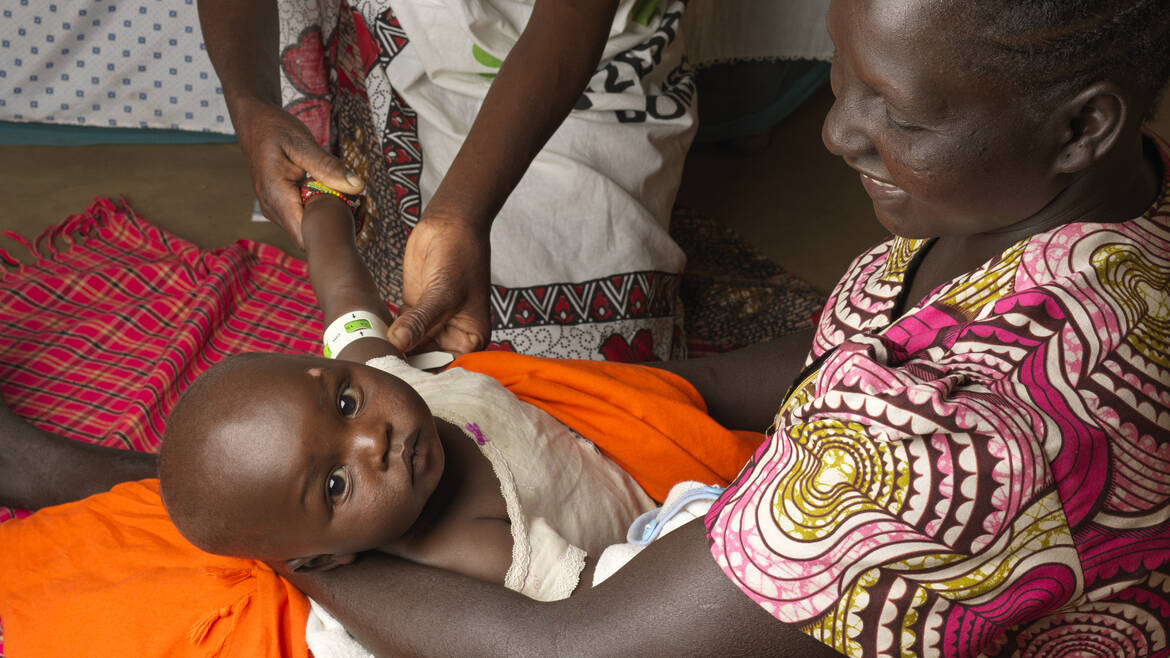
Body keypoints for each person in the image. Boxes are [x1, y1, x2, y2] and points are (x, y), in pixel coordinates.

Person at [4, 0, 1170, 654]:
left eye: (895, 114)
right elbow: (843, 341)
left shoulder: (960, 432)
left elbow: (558, 653)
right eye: (842, 83)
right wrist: (627, 396)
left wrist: (305, 558)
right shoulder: (1090, 208)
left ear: (1082, 125)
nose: (834, 135)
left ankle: (118, 491)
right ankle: (109, 481)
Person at [196, 0, 697, 362]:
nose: (376, 447)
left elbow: (569, 23)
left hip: (582, 65)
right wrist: (249, 104)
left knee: (591, 365)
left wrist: (462, 213)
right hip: (402, 34)